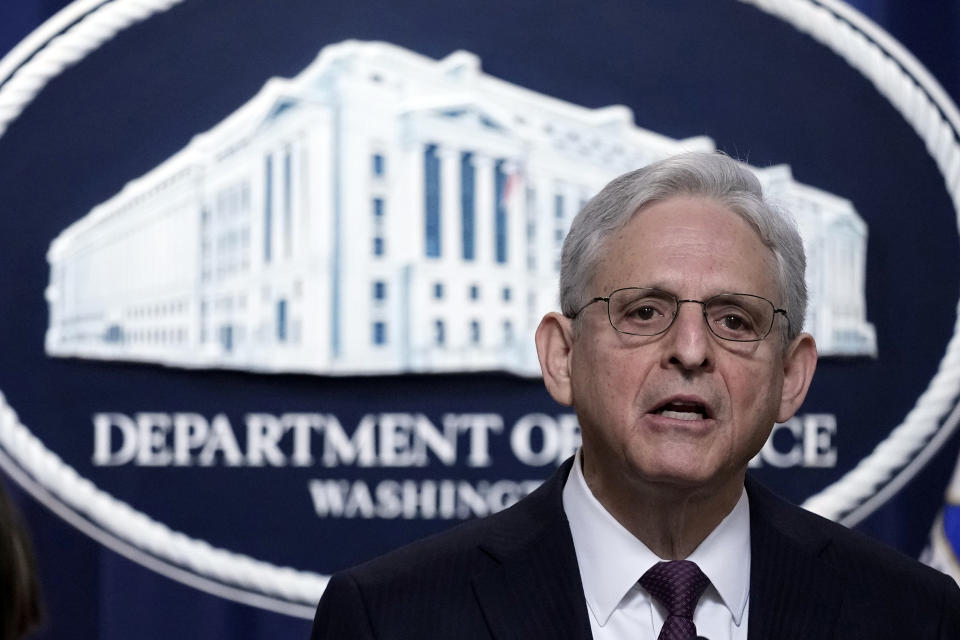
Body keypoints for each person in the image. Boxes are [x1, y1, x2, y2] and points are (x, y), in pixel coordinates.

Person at [310, 152, 960, 639]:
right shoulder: (388, 620)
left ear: (791, 377)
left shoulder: (914, 617)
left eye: (734, 320)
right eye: (644, 312)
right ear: (562, 357)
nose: (690, 349)